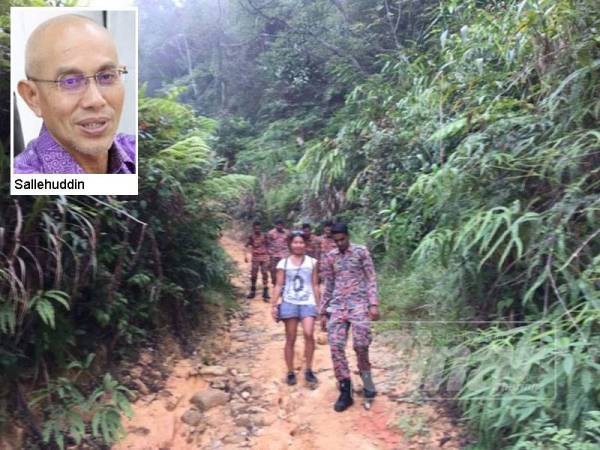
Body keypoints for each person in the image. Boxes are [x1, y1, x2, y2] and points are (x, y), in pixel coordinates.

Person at [14, 14, 135, 174]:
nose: (96, 100)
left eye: (107, 76)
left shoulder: (136, 150)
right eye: (70, 82)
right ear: (32, 97)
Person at [319, 222, 380, 412]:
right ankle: (345, 391)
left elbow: (371, 278)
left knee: (361, 345)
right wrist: (322, 311)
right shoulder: (330, 257)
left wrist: (373, 303)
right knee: (336, 346)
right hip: (337, 307)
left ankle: (368, 383)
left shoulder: (361, 252)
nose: (339, 243)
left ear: (348, 235)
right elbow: (329, 285)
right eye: (336, 241)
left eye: (342, 239)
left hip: (359, 305)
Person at [271, 231, 320, 386]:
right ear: (290, 244)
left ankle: (309, 369)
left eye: (301, 242)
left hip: (307, 301)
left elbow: (315, 284)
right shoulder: (283, 263)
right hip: (289, 301)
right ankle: (291, 371)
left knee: (309, 333)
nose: (298, 245)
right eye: (295, 242)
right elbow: (278, 284)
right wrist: (274, 304)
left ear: (305, 245)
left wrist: (319, 305)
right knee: (290, 338)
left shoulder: (312, 262)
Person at [244, 221, 270, 301]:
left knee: (265, 273)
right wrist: (245, 256)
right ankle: (253, 291)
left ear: (260, 227)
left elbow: (269, 244)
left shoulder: (264, 236)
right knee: (254, 275)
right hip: (255, 257)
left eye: (258, 228)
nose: (257, 229)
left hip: (264, 257)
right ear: (253, 228)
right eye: (255, 228)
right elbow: (246, 246)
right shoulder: (251, 236)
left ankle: (265, 292)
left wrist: (269, 254)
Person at [267, 219, 290, 287]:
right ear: (276, 225)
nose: (280, 226)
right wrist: (269, 253)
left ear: (283, 225)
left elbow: (289, 242)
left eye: (281, 225)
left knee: (284, 270)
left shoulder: (287, 233)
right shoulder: (271, 233)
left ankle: (284, 285)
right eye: (278, 225)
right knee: (273, 270)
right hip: (274, 254)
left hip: (284, 254)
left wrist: (290, 253)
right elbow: (267, 243)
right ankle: (275, 283)